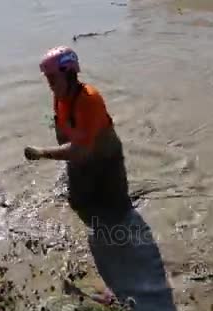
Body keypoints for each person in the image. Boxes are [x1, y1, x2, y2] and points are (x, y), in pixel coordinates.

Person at [24, 46, 132, 225]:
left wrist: (42, 153)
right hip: (80, 162)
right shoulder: (59, 97)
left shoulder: (89, 99)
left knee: (118, 212)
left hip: (106, 162)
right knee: (79, 207)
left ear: (69, 74)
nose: (50, 85)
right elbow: (63, 133)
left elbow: (80, 150)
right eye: (48, 79)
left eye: (52, 78)